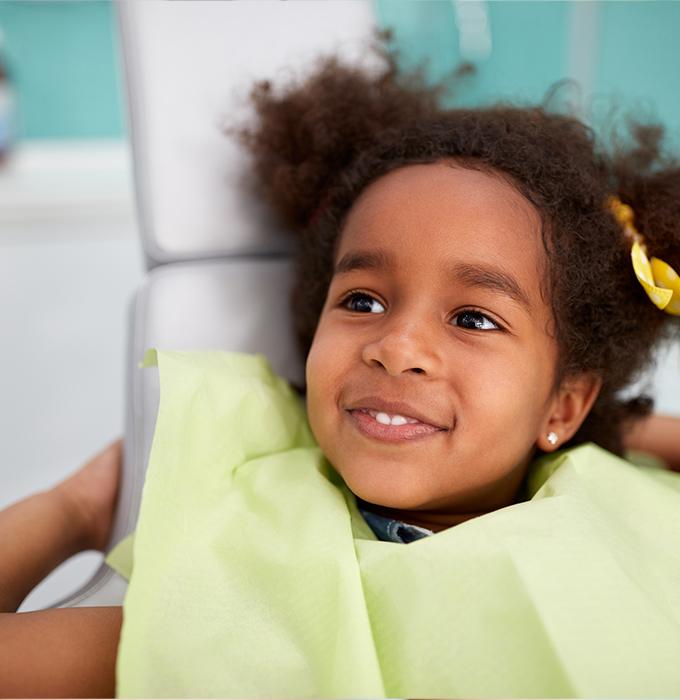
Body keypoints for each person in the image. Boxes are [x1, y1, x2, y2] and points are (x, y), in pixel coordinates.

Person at [1, 45, 679, 697]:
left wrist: (621, 429)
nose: (396, 344)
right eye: (363, 300)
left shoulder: (626, 525)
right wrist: (77, 511)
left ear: (565, 406)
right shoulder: (240, 585)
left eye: (473, 318)